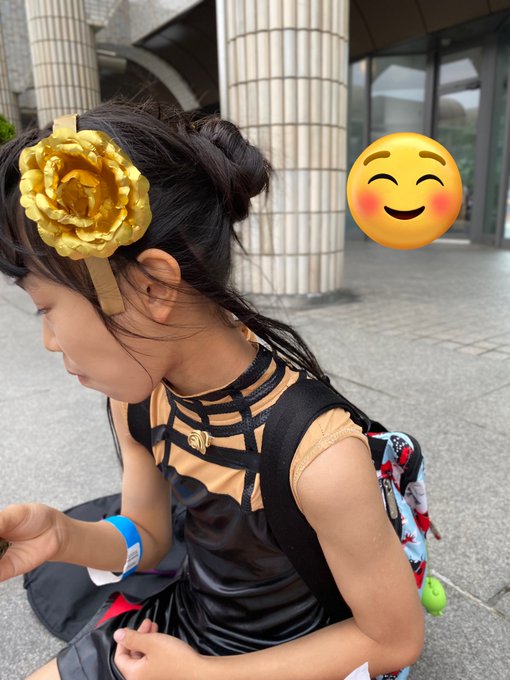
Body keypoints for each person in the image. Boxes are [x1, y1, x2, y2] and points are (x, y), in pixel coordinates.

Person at [0, 100, 424, 680]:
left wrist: (203, 677)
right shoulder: (139, 401)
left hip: (294, 661)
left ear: (154, 287)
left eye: (46, 308)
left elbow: (393, 639)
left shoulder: (318, 455)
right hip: (180, 631)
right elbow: (150, 537)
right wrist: (61, 535)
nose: (49, 341)